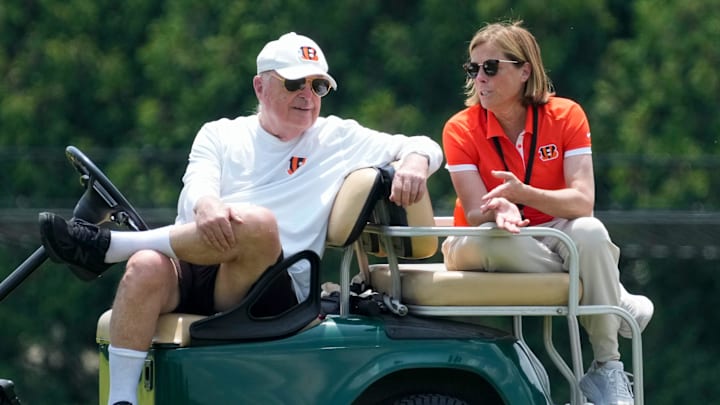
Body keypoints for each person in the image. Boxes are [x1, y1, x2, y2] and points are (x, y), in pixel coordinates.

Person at [38, 32, 443, 405]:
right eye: (294, 83)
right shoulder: (220, 133)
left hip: (273, 286)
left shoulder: (337, 137)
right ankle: (121, 399)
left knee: (259, 224)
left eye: (318, 86)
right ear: (260, 86)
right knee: (144, 267)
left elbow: (426, 144)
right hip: (199, 265)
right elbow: (199, 184)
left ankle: (107, 247)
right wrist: (207, 205)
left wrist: (413, 162)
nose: (308, 95)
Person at [440, 21, 653, 405]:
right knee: (505, 242)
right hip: (480, 238)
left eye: (491, 67)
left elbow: (582, 203)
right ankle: (608, 294)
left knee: (589, 230)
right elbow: (473, 211)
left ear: (525, 71)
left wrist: (523, 194)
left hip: (554, 234)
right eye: (473, 69)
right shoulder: (460, 128)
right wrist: (500, 207)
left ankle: (606, 367)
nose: (480, 78)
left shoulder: (566, 115)